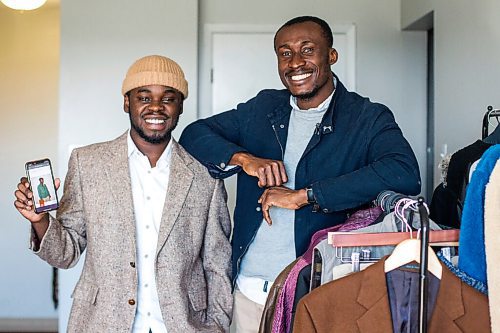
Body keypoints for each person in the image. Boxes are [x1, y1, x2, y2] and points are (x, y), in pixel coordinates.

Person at [179, 16, 421, 332]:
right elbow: (193, 134)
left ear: (331, 56)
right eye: (285, 53)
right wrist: (245, 159)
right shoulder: (263, 108)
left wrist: (306, 195)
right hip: (249, 292)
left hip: (321, 291)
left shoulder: (366, 117)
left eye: (307, 50)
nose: (296, 62)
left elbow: (404, 172)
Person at [14, 55, 233, 332]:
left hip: (183, 324)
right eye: (144, 97)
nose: (156, 107)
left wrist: (218, 325)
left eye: (168, 98)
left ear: (180, 106)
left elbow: (218, 263)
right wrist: (40, 221)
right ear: (127, 102)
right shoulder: (88, 163)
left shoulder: (205, 174)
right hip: (101, 322)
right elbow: (65, 254)